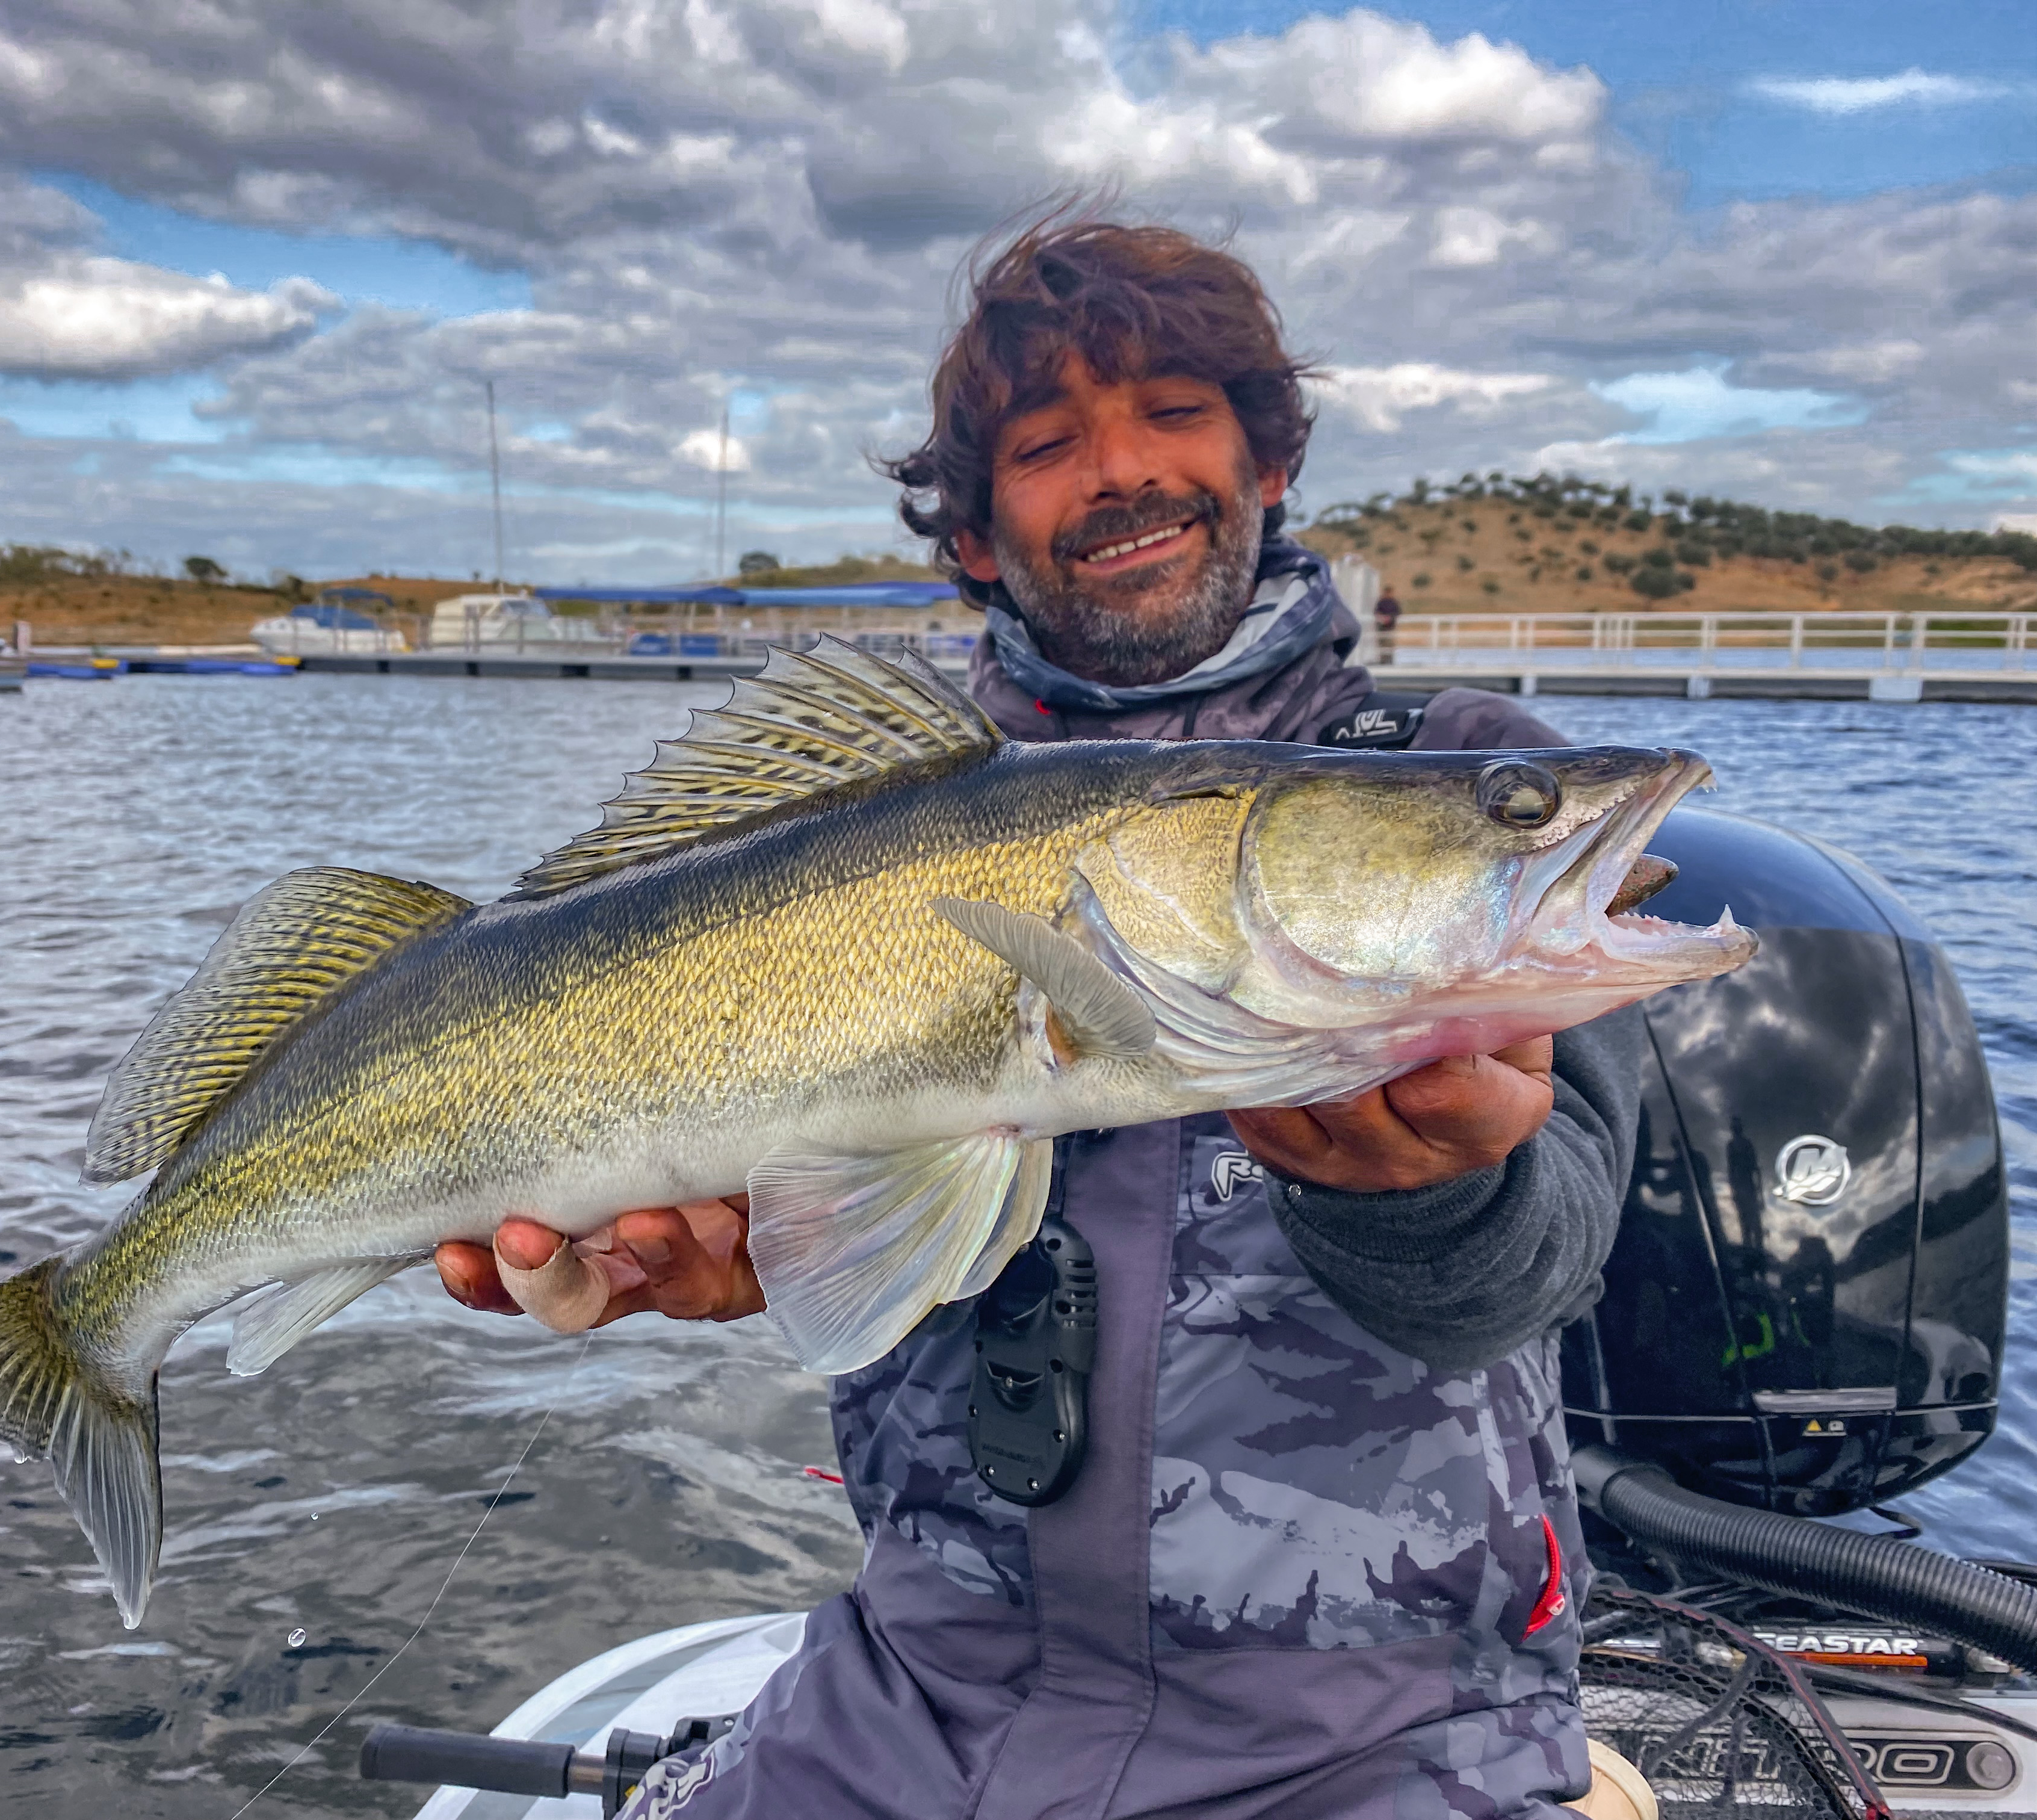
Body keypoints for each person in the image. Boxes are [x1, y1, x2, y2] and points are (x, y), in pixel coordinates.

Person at [437, 215, 1639, 1819]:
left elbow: (1561, 1246)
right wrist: (744, 1245)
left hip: (1374, 1726)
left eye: (1174, 410)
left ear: (1269, 461)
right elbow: (822, 1237)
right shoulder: (861, 807)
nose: (1120, 470)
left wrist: (1439, 1203)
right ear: (978, 535)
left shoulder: (1455, 752)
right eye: (1048, 442)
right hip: (915, 1695)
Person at [1374, 587, 1403, 664]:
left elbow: (1398, 612)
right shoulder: (1381, 602)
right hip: (1382, 627)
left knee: (1390, 643)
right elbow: (1377, 612)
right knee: (1382, 643)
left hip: (1390, 627)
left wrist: (1390, 618)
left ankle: (1390, 659)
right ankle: (1383, 660)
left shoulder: (1394, 602)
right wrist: (1382, 618)